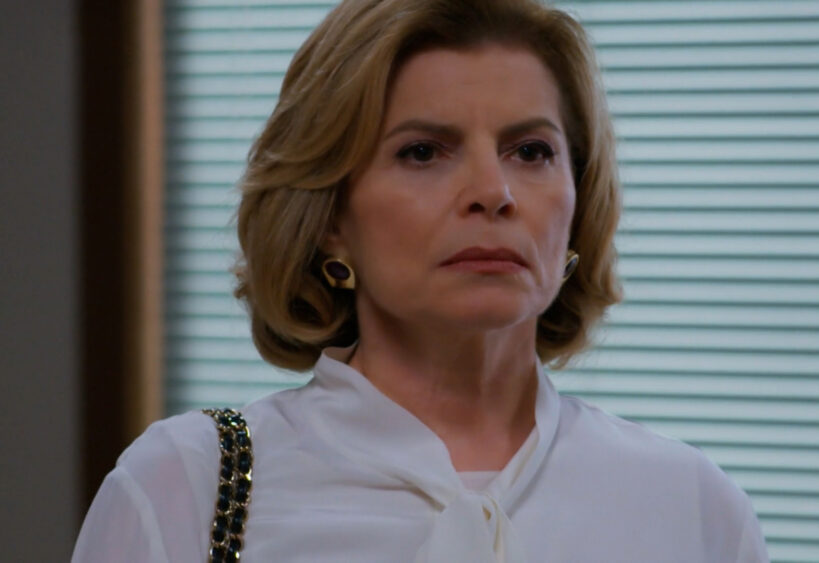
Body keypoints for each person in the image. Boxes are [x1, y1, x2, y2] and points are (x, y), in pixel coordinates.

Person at [73, 0, 769, 561]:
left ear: (578, 198)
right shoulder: (186, 488)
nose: (493, 192)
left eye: (531, 151)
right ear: (331, 217)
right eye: (423, 152)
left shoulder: (695, 509)